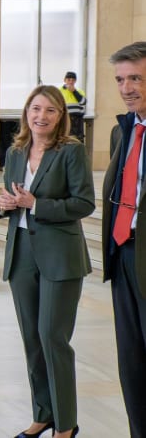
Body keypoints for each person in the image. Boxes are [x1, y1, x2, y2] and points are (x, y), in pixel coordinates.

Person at [0, 85, 93, 438]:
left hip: (60, 257)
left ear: (61, 116)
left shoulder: (71, 152)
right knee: (31, 339)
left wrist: (36, 204)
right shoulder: (16, 151)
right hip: (21, 251)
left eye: (50, 110)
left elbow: (84, 203)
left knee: (52, 337)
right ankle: (43, 414)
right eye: (36, 109)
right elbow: (12, 198)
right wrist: (3, 204)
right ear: (26, 113)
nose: (41, 116)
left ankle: (66, 424)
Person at [102, 41, 146, 438]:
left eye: (136, 78)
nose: (127, 87)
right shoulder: (125, 130)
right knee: (131, 364)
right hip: (125, 255)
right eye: (121, 79)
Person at [60, 71, 87, 143]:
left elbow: (83, 102)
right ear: (65, 80)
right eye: (69, 79)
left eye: (73, 80)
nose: (71, 82)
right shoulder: (60, 91)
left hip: (78, 119)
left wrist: (74, 92)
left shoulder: (79, 91)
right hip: (66, 118)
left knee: (78, 139)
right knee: (66, 138)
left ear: (75, 81)